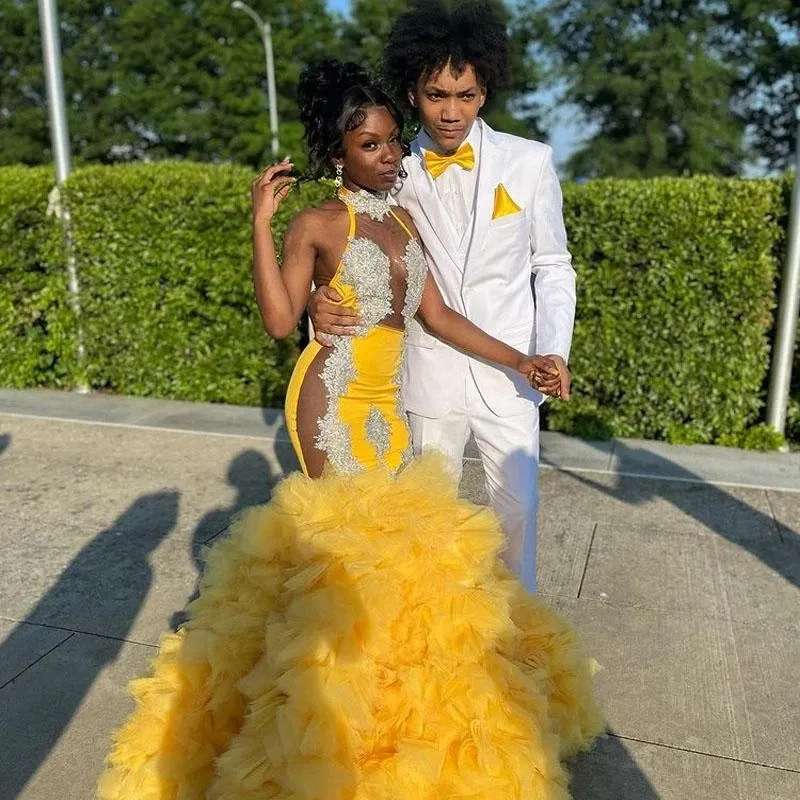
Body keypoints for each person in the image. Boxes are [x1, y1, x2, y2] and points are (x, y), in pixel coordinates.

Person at [97, 60, 601, 800]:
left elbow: (439, 318)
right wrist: (261, 228)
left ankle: (380, 721)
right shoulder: (317, 222)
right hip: (330, 400)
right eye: (372, 145)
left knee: (395, 559)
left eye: (394, 142)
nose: (391, 156)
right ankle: (307, 728)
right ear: (340, 154)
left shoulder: (401, 219)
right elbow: (279, 320)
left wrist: (524, 359)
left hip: (388, 409)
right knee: (346, 556)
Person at [308, 0, 575, 593]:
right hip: (426, 375)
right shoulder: (390, 166)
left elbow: (554, 265)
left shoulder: (530, 163)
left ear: (485, 94)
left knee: (519, 521)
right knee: (426, 524)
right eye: (436, 95)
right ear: (411, 92)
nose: (451, 112)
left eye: (467, 96)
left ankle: (518, 645)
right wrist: (315, 298)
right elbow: (339, 237)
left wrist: (553, 349)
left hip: (514, 374)